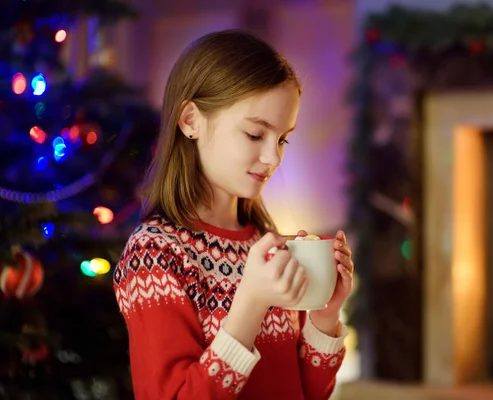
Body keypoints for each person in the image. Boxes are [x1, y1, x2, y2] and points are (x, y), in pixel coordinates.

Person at [113, 29, 355, 400]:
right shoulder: (154, 256)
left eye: (282, 139)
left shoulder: (265, 246)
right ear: (190, 120)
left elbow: (308, 393)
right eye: (255, 135)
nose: (273, 158)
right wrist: (251, 302)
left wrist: (325, 315)